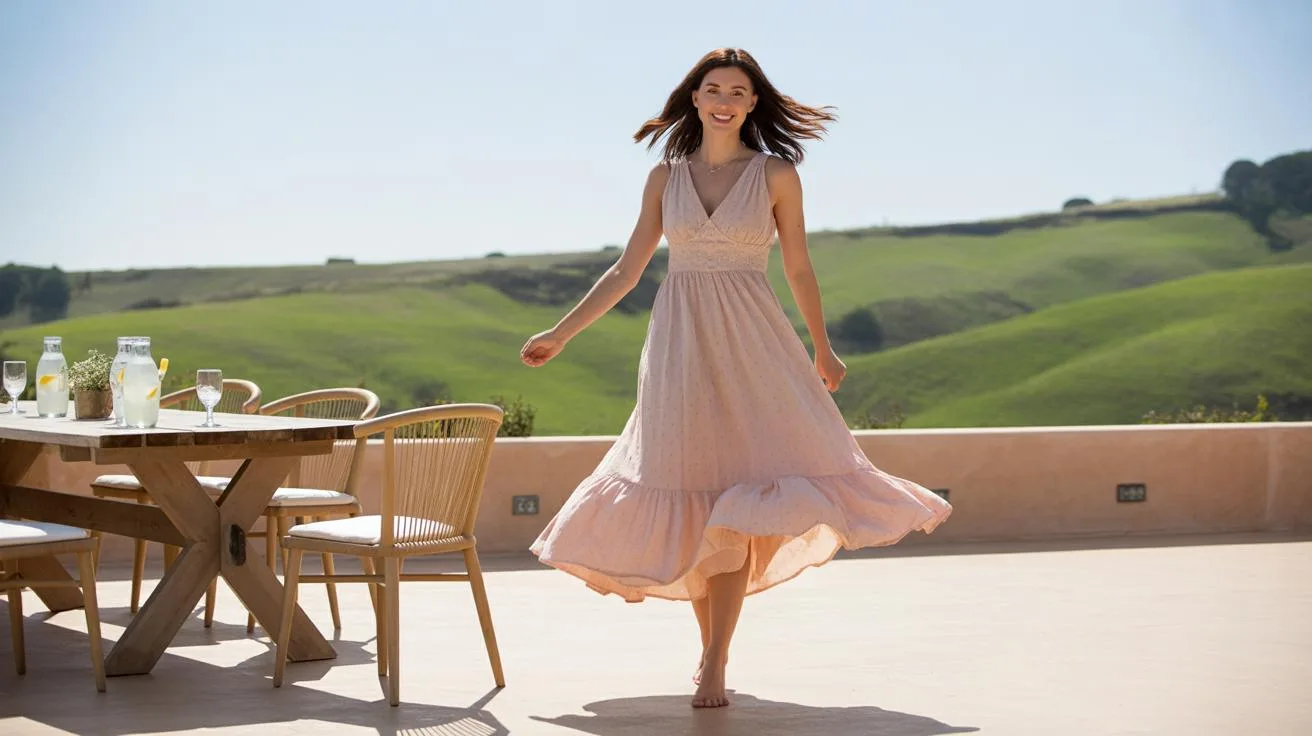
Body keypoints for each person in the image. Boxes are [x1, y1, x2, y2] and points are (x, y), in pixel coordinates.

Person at [520, 48, 952, 708]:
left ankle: (715, 660)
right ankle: (710, 656)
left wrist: (823, 348)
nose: (725, 99)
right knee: (697, 499)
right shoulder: (665, 178)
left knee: (742, 501)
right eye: (713, 88)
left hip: (756, 345)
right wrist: (560, 332)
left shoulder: (777, 174)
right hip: (680, 351)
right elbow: (626, 271)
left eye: (739, 91)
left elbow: (800, 269)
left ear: (753, 104)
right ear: (694, 98)